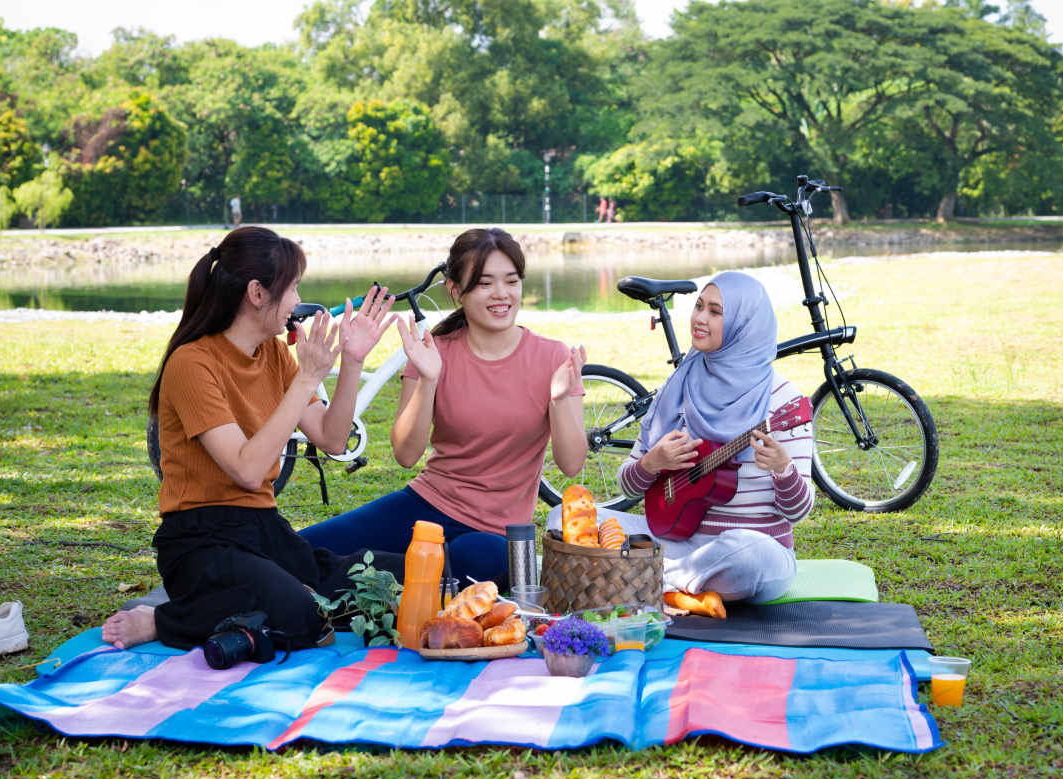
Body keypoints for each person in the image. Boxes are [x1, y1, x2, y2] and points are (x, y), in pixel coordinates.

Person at [101, 227, 403, 652]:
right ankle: (163, 619)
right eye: (293, 288)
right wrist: (307, 378)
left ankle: (272, 596)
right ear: (257, 293)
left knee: (393, 584)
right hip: (201, 542)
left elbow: (333, 439)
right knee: (304, 618)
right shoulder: (191, 363)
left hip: (264, 528)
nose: (298, 301)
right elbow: (246, 471)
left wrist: (352, 361)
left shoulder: (273, 353)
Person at [300, 228, 588, 590]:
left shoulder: (553, 356)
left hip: (493, 535)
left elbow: (572, 464)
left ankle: (383, 580)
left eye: (511, 281)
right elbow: (406, 454)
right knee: (297, 550)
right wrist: (428, 379)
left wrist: (558, 400)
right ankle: (394, 580)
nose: (501, 294)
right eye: (484, 283)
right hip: (426, 506)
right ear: (455, 290)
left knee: (476, 558)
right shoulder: (433, 351)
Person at [615, 271, 814, 614]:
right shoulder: (677, 387)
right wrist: (651, 463)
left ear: (743, 324)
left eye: (715, 312)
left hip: (743, 556)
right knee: (566, 518)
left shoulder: (784, 399)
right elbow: (626, 484)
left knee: (752, 555)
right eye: (699, 306)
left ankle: (648, 576)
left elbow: (798, 512)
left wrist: (783, 469)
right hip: (679, 544)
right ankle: (680, 589)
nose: (700, 319)